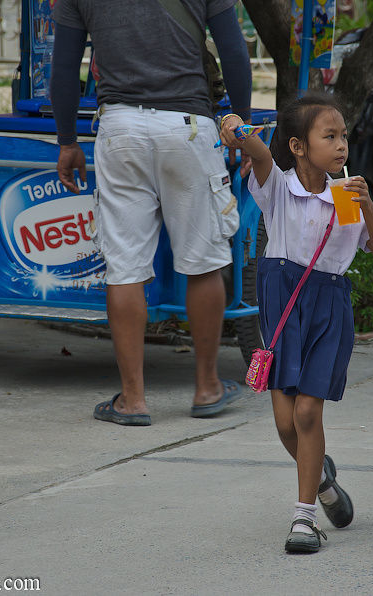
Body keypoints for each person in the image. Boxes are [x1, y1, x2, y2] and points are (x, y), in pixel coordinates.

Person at [50, 1, 253, 426]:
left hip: (119, 128)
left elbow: (65, 65)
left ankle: (133, 399)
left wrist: (67, 140)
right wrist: (245, 125)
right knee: (203, 263)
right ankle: (207, 387)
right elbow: (234, 50)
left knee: (125, 268)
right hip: (188, 126)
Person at [220, 92, 373, 553]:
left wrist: (368, 205)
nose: (341, 146)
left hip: (328, 308)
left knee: (306, 412)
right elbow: (258, 151)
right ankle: (322, 482)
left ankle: (304, 520)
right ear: (298, 146)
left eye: (344, 137)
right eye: (329, 136)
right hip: (282, 307)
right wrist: (236, 128)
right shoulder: (278, 187)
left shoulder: (348, 196)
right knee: (283, 423)